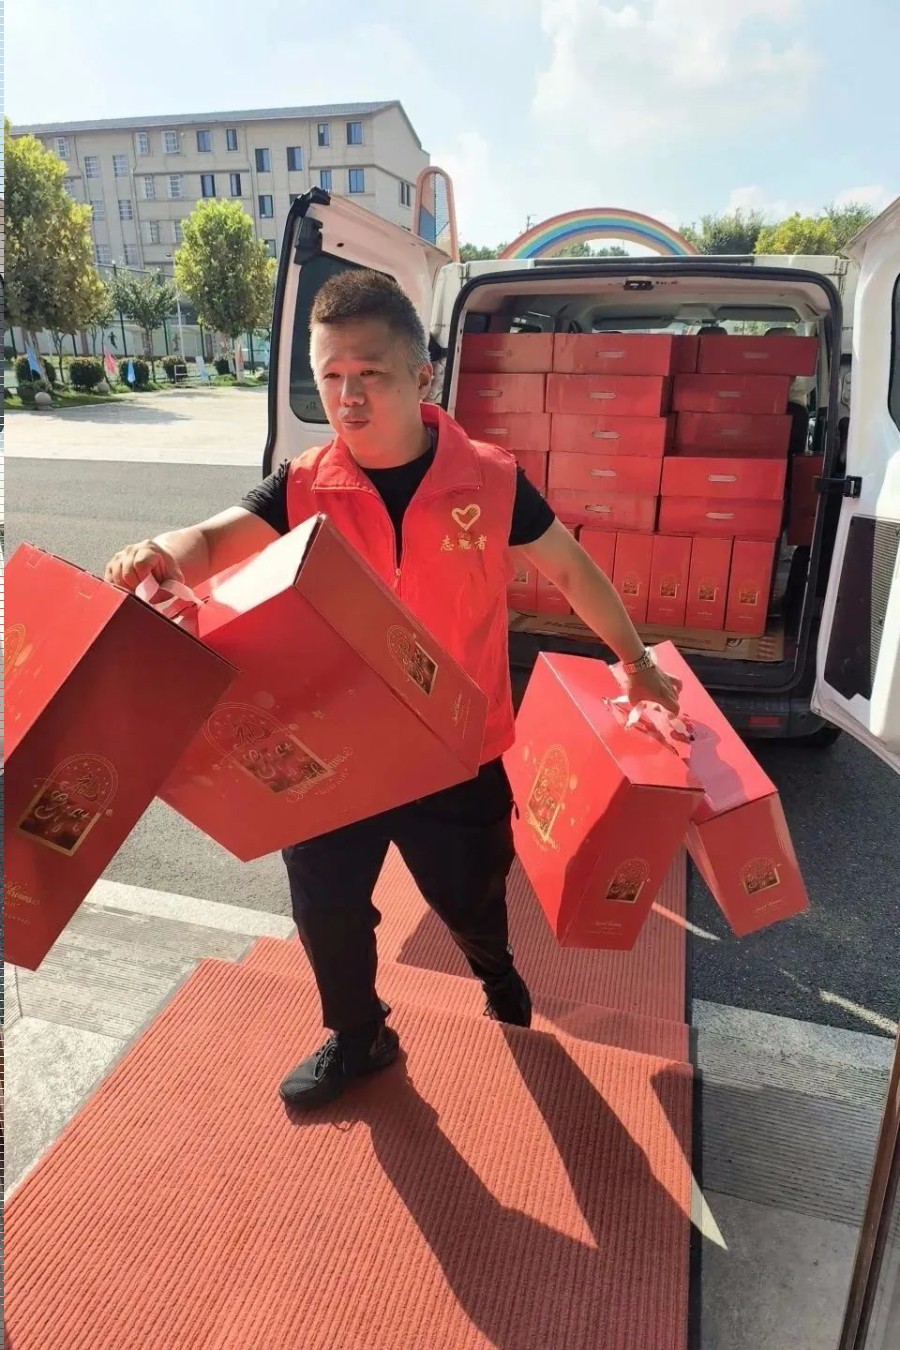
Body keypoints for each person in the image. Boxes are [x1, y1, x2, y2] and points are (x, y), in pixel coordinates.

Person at [105, 271, 682, 1111]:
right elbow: (215, 539)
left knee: (469, 898)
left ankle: (496, 974)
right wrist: (162, 551)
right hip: (337, 744)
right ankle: (358, 1033)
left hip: (457, 747)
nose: (348, 396)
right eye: (331, 376)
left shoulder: (489, 480)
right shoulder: (304, 484)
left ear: (421, 377)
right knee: (325, 906)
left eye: (369, 374)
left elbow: (570, 570)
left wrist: (636, 662)